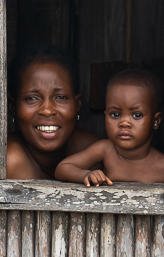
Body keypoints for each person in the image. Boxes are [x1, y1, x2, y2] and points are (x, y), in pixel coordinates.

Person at [55, 69, 164, 186]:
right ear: (105, 116)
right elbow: (62, 168)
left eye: (137, 115)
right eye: (115, 114)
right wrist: (85, 175)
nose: (124, 123)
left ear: (156, 121)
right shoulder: (106, 150)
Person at [6, 44, 99, 180]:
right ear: (13, 108)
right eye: (32, 98)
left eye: (60, 97)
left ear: (77, 104)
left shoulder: (91, 150)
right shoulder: (11, 161)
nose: (47, 110)